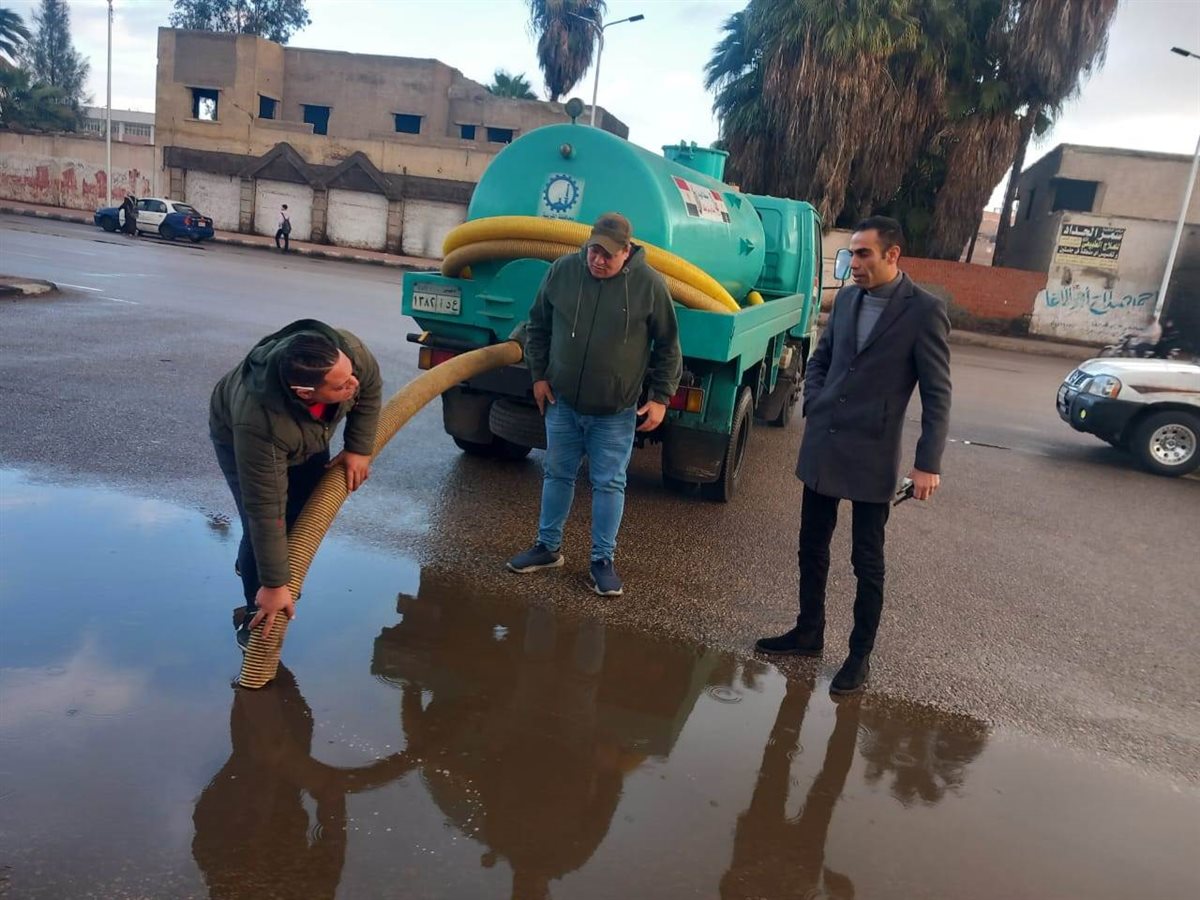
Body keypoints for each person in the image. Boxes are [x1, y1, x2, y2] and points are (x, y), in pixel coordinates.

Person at [755, 216, 952, 695]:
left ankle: (859, 655)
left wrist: (927, 463)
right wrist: (816, 400)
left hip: (872, 452)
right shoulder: (845, 300)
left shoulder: (924, 311)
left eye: (863, 254)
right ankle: (808, 631)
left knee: (867, 561)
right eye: (851, 253)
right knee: (811, 545)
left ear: (892, 255)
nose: (854, 263)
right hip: (824, 442)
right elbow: (822, 358)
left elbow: (937, 394)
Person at [506, 212, 682, 597]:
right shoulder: (562, 272)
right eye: (593, 251)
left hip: (614, 411)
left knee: (609, 483)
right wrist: (539, 376)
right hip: (563, 402)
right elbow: (538, 325)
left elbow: (668, 346)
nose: (598, 260)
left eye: (608, 255)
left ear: (627, 251)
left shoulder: (649, 285)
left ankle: (602, 561)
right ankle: (547, 547)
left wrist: (660, 398)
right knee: (557, 474)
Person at [210, 319, 381, 649]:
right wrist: (275, 585)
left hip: (307, 432)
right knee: (263, 528)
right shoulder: (259, 423)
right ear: (305, 392)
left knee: (303, 512)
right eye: (342, 385)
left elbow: (370, 385)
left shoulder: (348, 353)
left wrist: (359, 449)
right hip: (243, 440)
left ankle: (264, 563)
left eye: (350, 373)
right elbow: (266, 511)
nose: (354, 383)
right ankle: (256, 606)